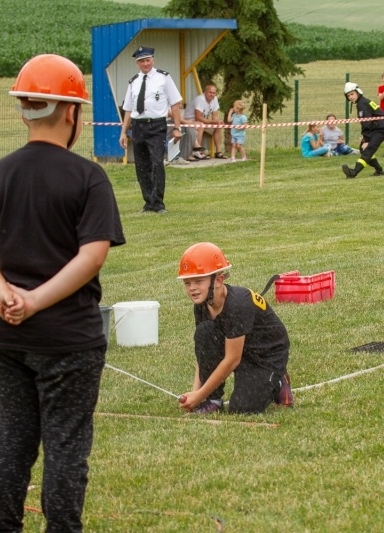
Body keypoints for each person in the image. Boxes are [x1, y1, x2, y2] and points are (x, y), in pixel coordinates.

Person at [0, 54, 125, 531]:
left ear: (24, 110)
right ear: (71, 112)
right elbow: (91, 256)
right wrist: (34, 300)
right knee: (65, 444)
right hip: (68, 340)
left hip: (8, 340)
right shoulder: (88, 178)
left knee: (12, 441)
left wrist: (4, 294)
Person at [176, 243, 293, 414]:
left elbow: (232, 359)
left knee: (242, 409)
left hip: (266, 355)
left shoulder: (237, 305)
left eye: (199, 281)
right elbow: (203, 353)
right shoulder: (202, 304)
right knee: (204, 332)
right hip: (237, 347)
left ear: (219, 280)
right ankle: (213, 400)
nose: (192, 288)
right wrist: (196, 393)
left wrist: (199, 395)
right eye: (187, 283)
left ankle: (278, 380)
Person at [119, 46, 182, 213]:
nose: (145, 63)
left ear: (153, 60)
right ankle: (148, 202)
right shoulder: (133, 82)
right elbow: (128, 109)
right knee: (141, 165)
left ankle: (158, 203)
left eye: (147, 60)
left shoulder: (164, 78)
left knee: (156, 163)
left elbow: (175, 104)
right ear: (137, 63)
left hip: (156, 125)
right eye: (141, 61)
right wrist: (123, 132)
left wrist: (177, 128)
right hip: (138, 126)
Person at [340, 82, 384, 179]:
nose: (350, 97)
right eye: (348, 95)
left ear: (358, 92)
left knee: (367, 150)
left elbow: (366, 123)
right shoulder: (363, 102)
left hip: (380, 130)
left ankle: (353, 172)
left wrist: (366, 140)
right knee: (363, 149)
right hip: (377, 128)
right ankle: (379, 170)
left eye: (352, 94)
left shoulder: (362, 104)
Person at [184, 84, 226, 160]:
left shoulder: (215, 99)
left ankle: (218, 152)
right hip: (190, 121)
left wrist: (217, 122)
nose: (212, 94)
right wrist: (213, 121)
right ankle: (197, 152)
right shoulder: (200, 99)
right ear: (205, 92)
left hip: (202, 120)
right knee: (201, 125)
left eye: (214, 93)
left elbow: (215, 115)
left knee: (217, 127)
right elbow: (198, 117)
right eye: (210, 92)